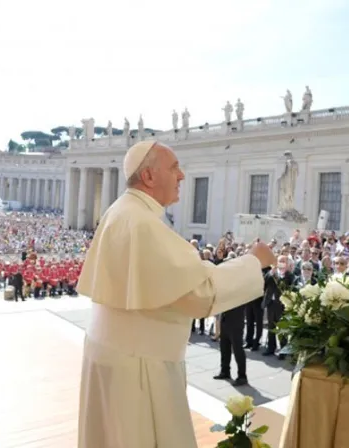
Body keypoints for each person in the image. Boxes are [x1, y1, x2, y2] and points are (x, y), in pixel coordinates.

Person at [76, 140, 276, 448]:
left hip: (119, 356)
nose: (182, 176)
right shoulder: (141, 223)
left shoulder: (124, 212)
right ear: (149, 177)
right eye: (174, 168)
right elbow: (198, 294)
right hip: (140, 368)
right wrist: (254, 262)